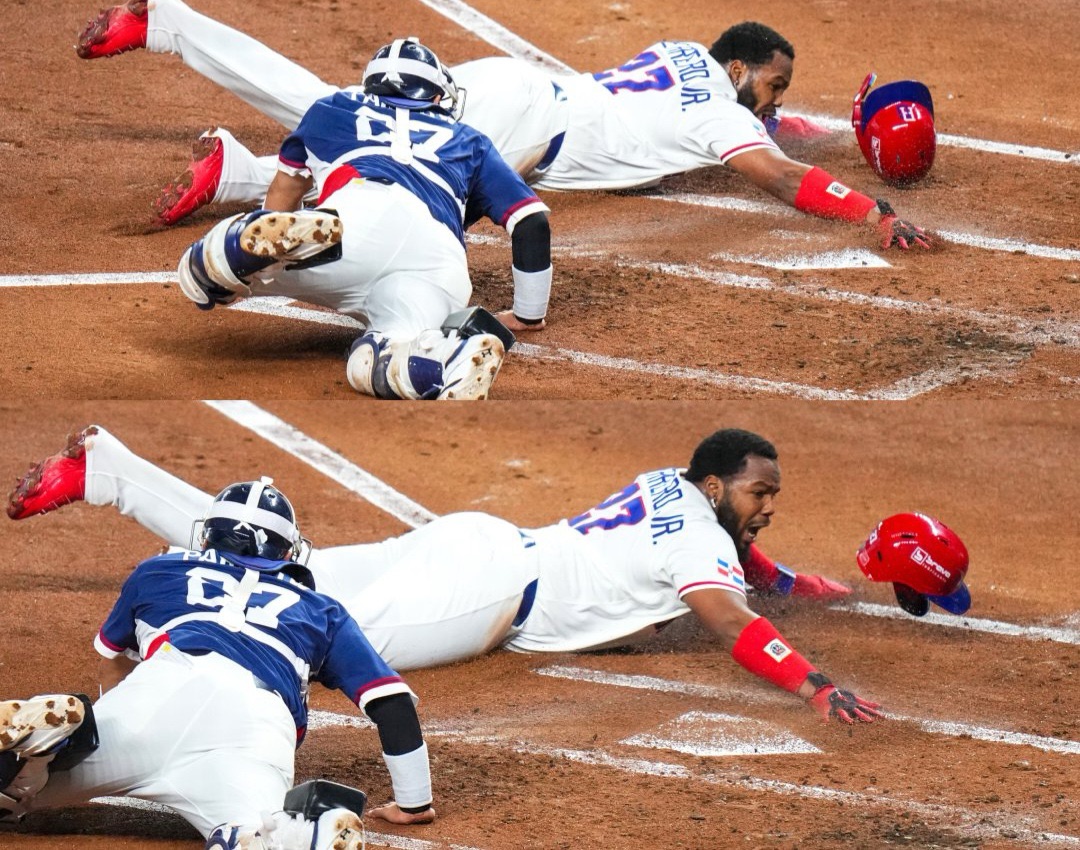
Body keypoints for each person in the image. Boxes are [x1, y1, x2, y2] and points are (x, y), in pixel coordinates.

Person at [9, 425, 881, 726]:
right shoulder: (703, 545)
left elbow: (741, 555)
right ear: (718, 485)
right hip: (487, 596)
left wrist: (798, 581)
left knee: (279, 568)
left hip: (475, 539)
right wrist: (812, 684)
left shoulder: (671, 486)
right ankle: (114, 480)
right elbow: (729, 618)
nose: (767, 504)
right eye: (760, 491)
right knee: (290, 628)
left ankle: (113, 473)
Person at [75, 3, 929, 252]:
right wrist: (873, 211)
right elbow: (777, 175)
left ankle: (233, 175)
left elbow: (769, 130)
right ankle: (170, 23)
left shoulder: (684, 60)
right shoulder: (714, 113)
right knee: (325, 110)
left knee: (379, 161)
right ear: (741, 70)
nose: (774, 107)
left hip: (516, 91)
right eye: (773, 88)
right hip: (519, 124)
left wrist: (822, 125)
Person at [1, 477, 437, 849]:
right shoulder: (321, 610)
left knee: (17, 795)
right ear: (289, 554)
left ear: (207, 537)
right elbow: (392, 703)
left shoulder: (161, 570)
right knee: (256, 827)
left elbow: (113, 662)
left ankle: (39, 755)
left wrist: (113, 730)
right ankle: (300, 835)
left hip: (163, 686)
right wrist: (413, 804)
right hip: (256, 727)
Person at [172, 35, 553, 400]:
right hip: (437, 261)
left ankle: (268, 248)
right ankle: (444, 365)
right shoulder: (470, 139)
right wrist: (528, 315)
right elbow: (531, 221)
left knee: (202, 272)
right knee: (375, 359)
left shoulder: (333, 108)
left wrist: (267, 251)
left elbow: (283, 192)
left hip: (356, 222)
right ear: (438, 96)